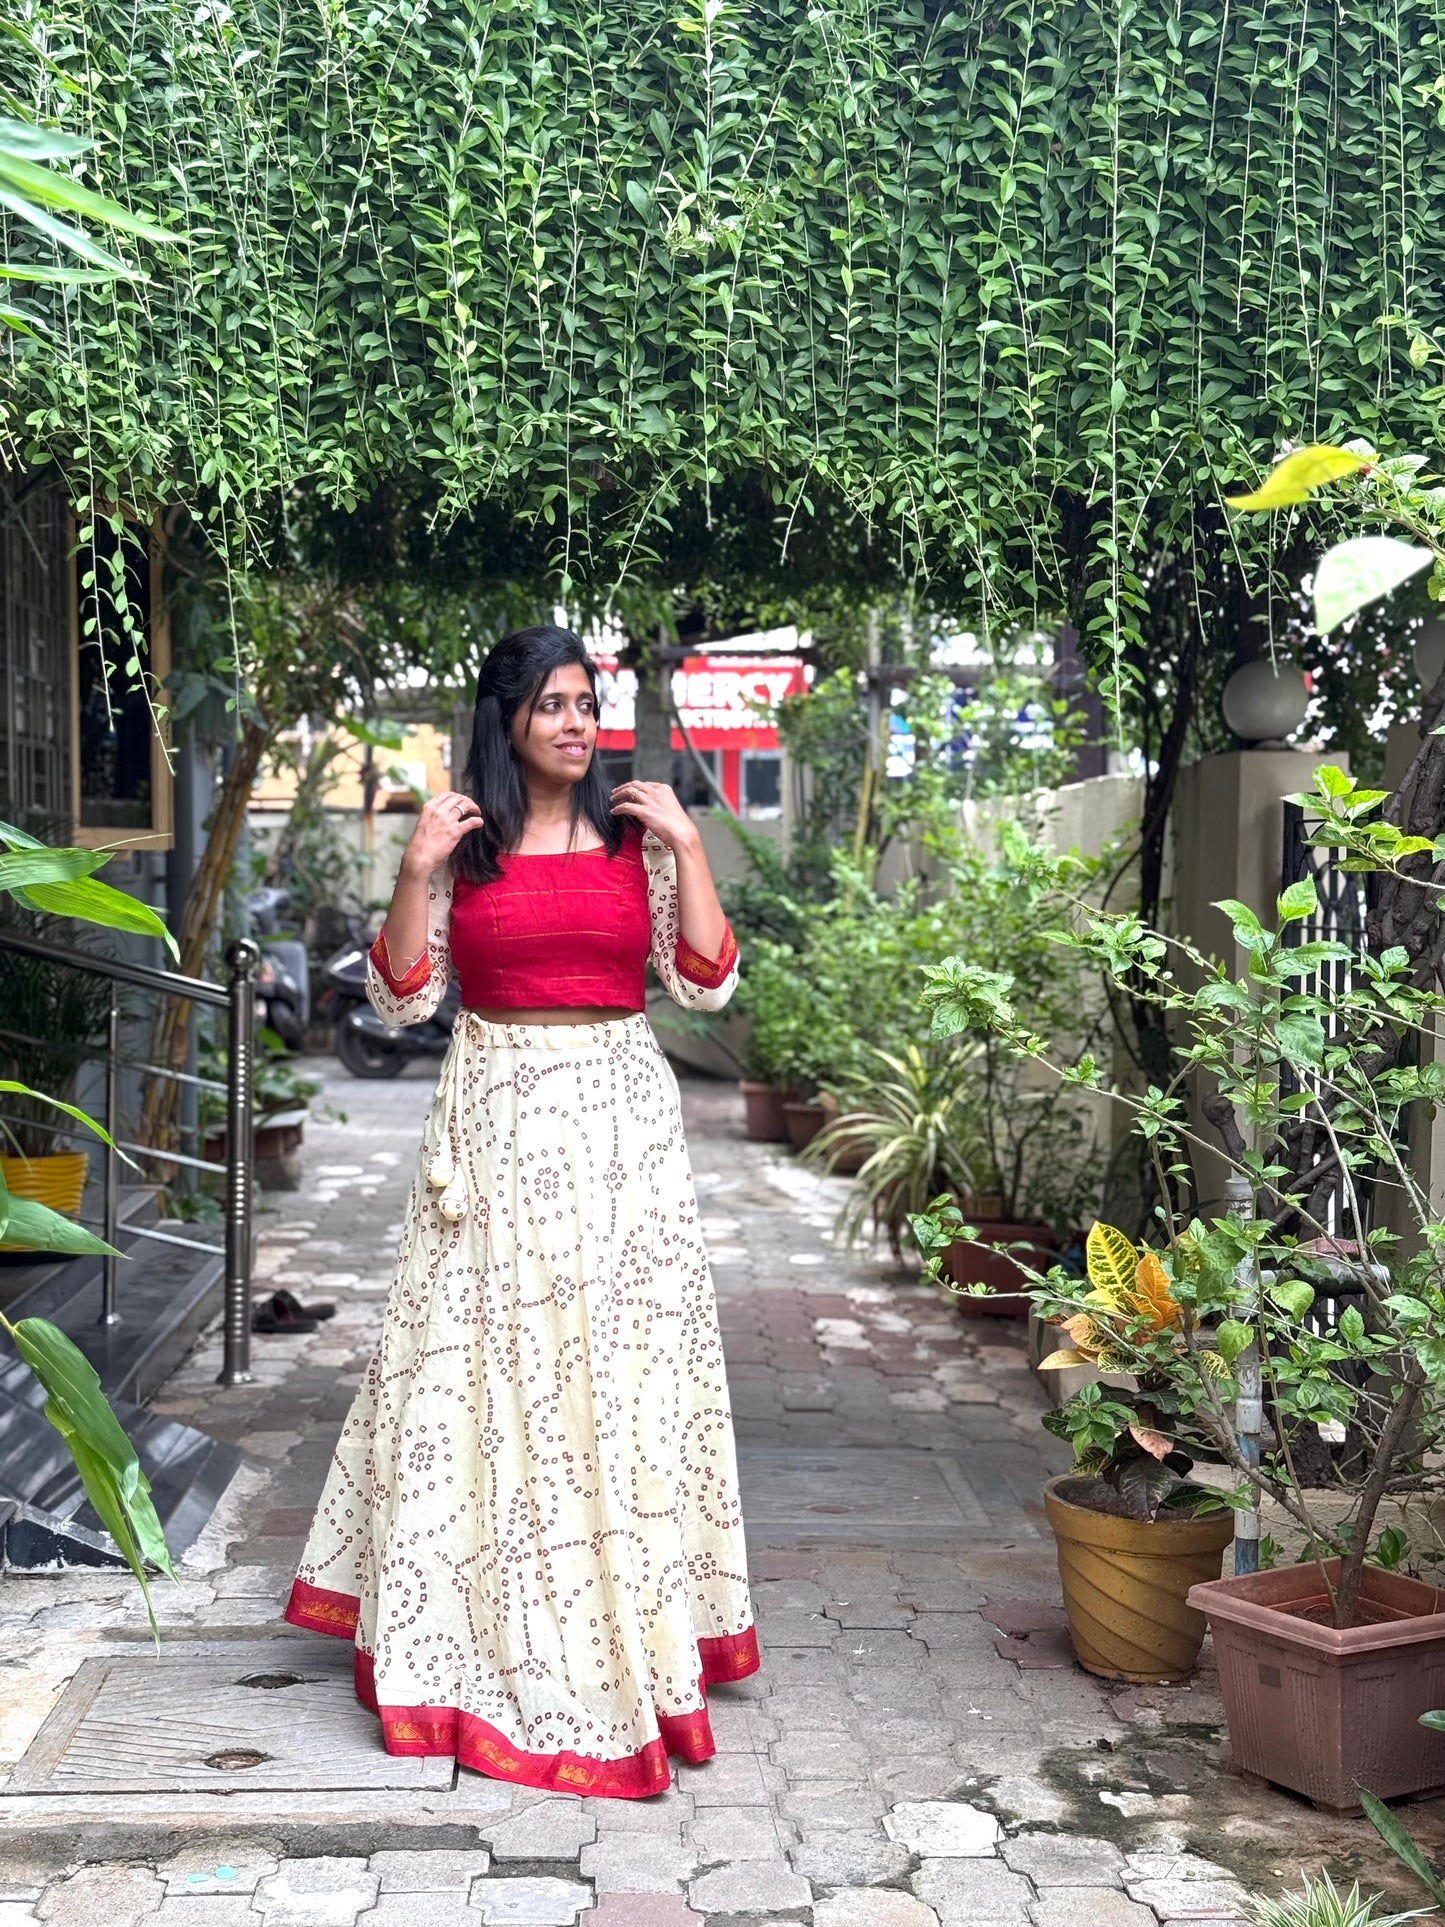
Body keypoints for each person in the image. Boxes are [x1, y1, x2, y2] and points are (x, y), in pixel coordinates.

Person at [285, 624, 757, 1796]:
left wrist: (691, 848)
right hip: (492, 1123)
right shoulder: (469, 846)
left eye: (584, 701)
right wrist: (413, 869)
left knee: (615, 1368)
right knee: (483, 1369)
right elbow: (404, 1000)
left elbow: (705, 978)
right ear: (504, 720)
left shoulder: (639, 836)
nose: (574, 721)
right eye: (550, 703)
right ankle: (473, 1626)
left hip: (618, 1128)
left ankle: (632, 1619)